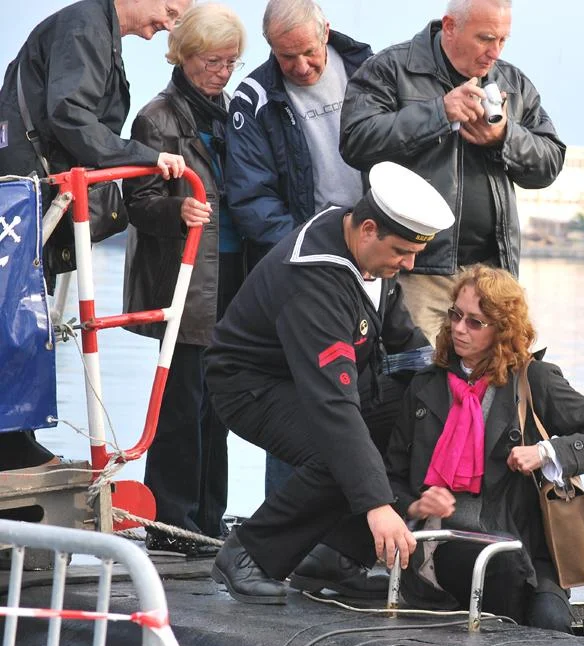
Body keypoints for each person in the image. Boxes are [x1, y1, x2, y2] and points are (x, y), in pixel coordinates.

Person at [204, 161, 454, 604]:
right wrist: (379, 505)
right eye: (402, 251)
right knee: (334, 453)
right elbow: (333, 409)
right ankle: (248, 554)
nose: (410, 264)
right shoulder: (314, 282)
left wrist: (453, 385)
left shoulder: (365, 248)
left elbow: (405, 343)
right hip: (251, 385)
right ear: (369, 229)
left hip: (319, 382)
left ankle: (336, 554)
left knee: (417, 409)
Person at [385, 265, 584, 631]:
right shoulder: (425, 386)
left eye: (475, 322)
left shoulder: (533, 379)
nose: (458, 328)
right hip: (447, 545)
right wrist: (414, 504)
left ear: (502, 330)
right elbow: (389, 475)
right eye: (456, 315)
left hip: (528, 551)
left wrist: (548, 453)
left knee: (550, 623)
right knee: (499, 569)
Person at [0, 0, 191, 471]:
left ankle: (16, 441)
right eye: (169, 9)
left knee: (25, 314)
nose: (169, 24)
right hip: (26, 199)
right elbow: (69, 114)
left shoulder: (93, 30)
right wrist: (147, 156)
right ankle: (11, 446)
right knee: (21, 315)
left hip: (28, 197)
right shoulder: (86, 25)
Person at [340, 0, 566, 343]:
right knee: (421, 380)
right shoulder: (391, 68)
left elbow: (550, 162)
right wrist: (438, 114)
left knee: (496, 385)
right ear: (449, 26)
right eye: (485, 38)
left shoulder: (512, 83)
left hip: (492, 273)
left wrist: (504, 137)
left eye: (503, 40)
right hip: (418, 270)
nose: (494, 51)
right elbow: (355, 141)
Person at [224, 0, 374, 495]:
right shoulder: (254, 98)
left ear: (325, 32)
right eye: (286, 58)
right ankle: (288, 532)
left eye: (308, 52)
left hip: (378, 252)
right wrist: (313, 251)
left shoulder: (369, 70)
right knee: (303, 391)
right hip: (306, 262)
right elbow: (251, 197)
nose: (301, 66)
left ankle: (360, 519)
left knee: (373, 387)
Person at [121, 3, 246, 556]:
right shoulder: (157, 117)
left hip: (233, 279)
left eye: (232, 63)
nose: (223, 72)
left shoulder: (234, 111)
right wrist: (178, 212)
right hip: (188, 282)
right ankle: (173, 521)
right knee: (182, 405)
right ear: (186, 56)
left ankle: (209, 520)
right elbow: (137, 200)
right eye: (215, 61)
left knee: (217, 405)